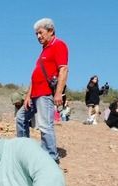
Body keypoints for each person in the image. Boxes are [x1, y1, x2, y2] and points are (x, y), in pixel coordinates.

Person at [16, 18, 68, 163]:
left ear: (50, 31)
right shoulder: (44, 50)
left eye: (40, 33)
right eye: (36, 34)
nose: (38, 36)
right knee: (21, 118)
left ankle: (51, 158)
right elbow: (35, 75)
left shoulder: (59, 45)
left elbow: (63, 69)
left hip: (45, 94)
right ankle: (23, 150)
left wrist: (58, 92)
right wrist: (27, 96)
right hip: (34, 94)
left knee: (45, 125)